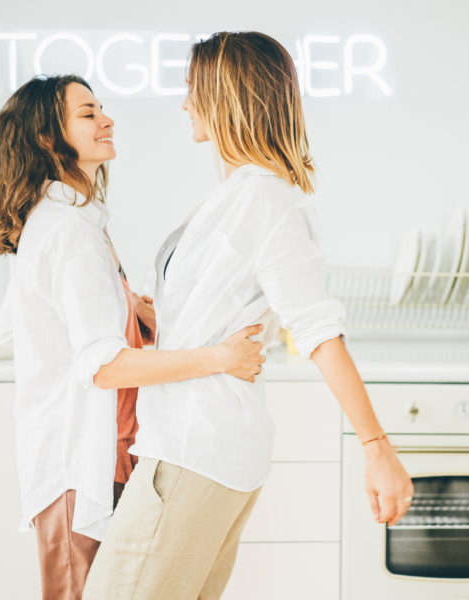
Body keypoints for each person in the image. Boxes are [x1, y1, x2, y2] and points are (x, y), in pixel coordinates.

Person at [83, 32, 414, 600]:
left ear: (226, 96)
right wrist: (157, 317)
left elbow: (316, 329)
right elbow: (213, 308)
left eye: (192, 90)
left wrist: (376, 446)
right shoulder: (237, 195)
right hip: (194, 446)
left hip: (195, 449)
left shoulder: (269, 202)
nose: (184, 103)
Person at [0, 74, 266, 600]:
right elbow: (104, 366)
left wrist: (134, 311)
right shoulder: (65, 229)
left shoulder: (75, 220)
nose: (106, 119)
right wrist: (221, 357)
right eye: (87, 114)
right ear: (45, 137)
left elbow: (40, 319)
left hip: (103, 459)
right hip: (76, 468)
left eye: (101, 108)